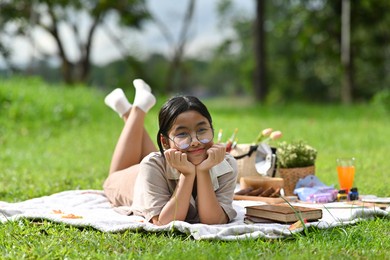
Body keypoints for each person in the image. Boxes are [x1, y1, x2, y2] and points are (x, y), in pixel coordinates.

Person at [103, 79, 237, 226]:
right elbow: (163, 221)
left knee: (166, 158)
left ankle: (129, 111)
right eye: (182, 134)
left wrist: (203, 171)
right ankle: (136, 111)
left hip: (167, 162)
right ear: (165, 142)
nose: (195, 141)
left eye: (202, 130)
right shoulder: (152, 165)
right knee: (110, 181)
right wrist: (187, 175)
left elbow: (213, 220)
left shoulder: (226, 163)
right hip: (133, 180)